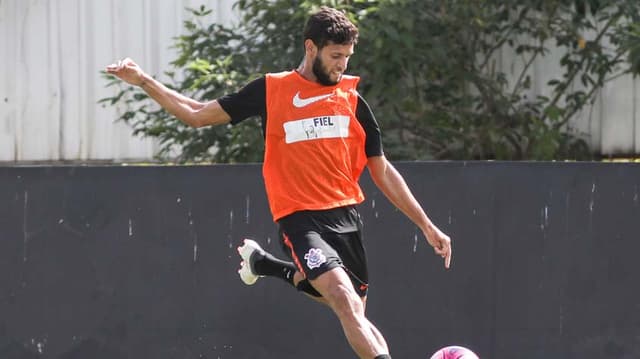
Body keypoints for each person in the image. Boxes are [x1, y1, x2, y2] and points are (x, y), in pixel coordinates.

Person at [106, 6, 452, 359]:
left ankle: (265, 265)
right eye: (335, 56)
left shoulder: (353, 100)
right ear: (311, 48)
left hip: (346, 219)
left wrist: (425, 224)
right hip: (301, 219)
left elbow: (382, 170)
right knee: (345, 302)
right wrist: (144, 81)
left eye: (347, 57)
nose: (342, 65)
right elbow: (195, 114)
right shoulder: (272, 90)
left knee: (351, 308)